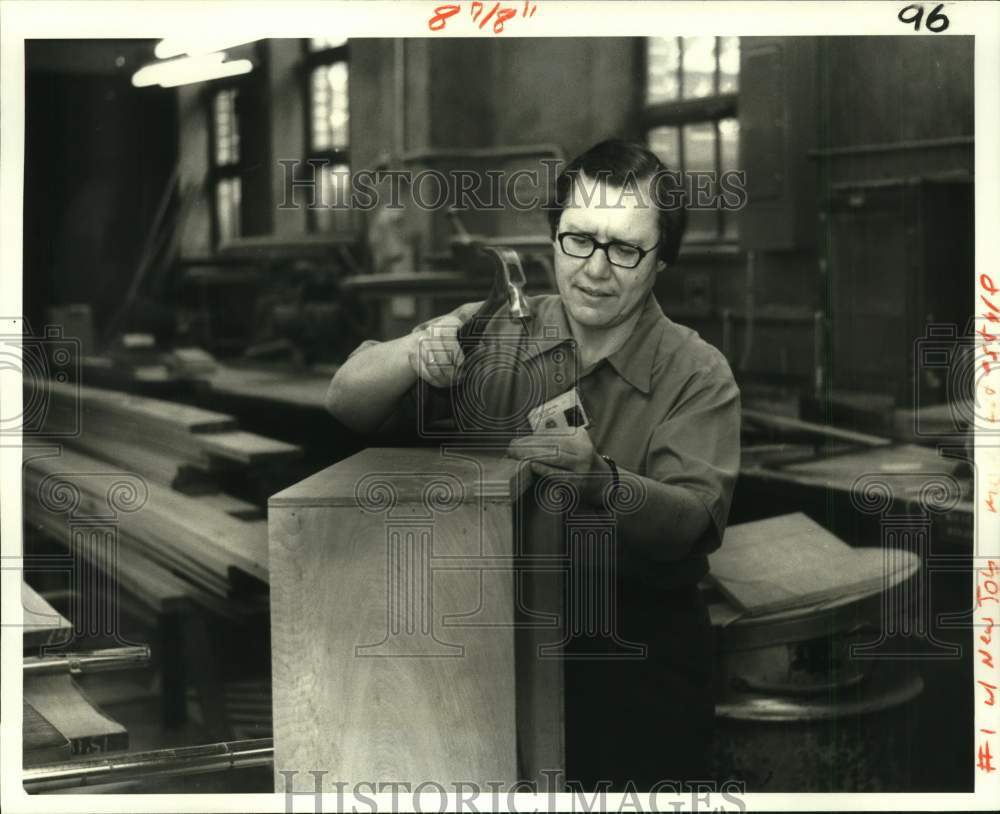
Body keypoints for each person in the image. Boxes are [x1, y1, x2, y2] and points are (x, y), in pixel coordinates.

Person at [326, 139, 741, 790]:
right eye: (578, 239)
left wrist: (600, 482)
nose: (596, 269)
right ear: (553, 237)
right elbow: (346, 402)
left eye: (625, 248)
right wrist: (414, 350)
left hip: (630, 660)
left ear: (662, 261)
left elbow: (691, 522)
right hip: (492, 642)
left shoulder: (697, 372)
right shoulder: (499, 329)